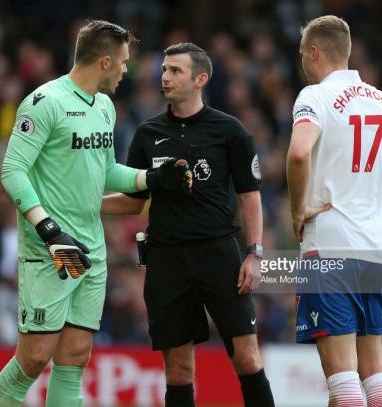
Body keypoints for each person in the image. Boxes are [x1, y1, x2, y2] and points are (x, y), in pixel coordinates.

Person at [0, 20, 191, 407]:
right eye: (123, 62)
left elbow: (105, 171)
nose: (126, 70)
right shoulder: (44, 102)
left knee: (75, 359)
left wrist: (151, 177)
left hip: (91, 252)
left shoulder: (104, 107)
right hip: (50, 249)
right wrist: (48, 230)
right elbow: (12, 170)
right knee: (32, 358)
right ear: (103, 62)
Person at [102, 42, 275, 407]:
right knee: (178, 370)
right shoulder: (148, 133)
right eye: (164, 69)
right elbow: (135, 200)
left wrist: (254, 254)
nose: (165, 77)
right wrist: (86, 206)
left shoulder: (230, 131)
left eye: (175, 71)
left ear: (200, 79)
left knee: (246, 358)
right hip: (167, 259)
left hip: (220, 254)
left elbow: (250, 196)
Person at [287, 15, 382, 406]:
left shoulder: (315, 97)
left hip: (329, 247)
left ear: (314, 51)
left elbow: (299, 152)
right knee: (374, 370)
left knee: (342, 379)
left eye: (302, 53)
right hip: (374, 248)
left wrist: (296, 210)